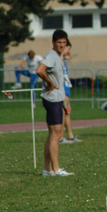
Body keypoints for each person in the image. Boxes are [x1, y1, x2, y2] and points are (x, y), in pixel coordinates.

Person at [35, 29, 73, 176]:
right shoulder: (51, 55)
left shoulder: (57, 55)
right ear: (53, 42)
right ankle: (56, 169)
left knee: (52, 135)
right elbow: (39, 70)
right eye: (59, 42)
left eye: (64, 42)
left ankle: (47, 169)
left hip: (56, 99)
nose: (62, 45)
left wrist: (64, 102)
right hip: (52, 99)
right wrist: (49, 83)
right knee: (56, 135)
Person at [60, 40, 81, 144]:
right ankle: (60, 137)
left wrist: (67, 51)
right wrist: (65, 48)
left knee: (67, 112)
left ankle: (70, 136)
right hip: (63, 88)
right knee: (64, 112)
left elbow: (69, 57)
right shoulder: (58, 58)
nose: (69, 51)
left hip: (67, 86)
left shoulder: (62, 57)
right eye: (68, 48)